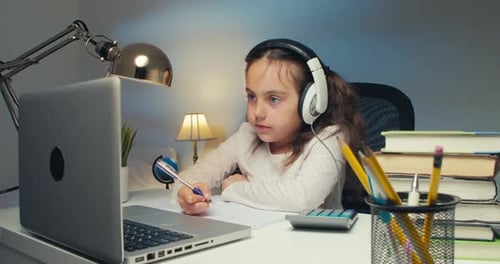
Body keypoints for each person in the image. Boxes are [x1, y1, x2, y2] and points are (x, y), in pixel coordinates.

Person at [175, 39, 365, 215]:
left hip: (312, 242)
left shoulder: (330, 137)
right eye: (251, 96)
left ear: (311, 103)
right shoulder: (247, 135)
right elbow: (191, 176)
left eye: (273, 99)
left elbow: (303, 198)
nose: (257, 112)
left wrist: (234, 187)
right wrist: (188, 193)